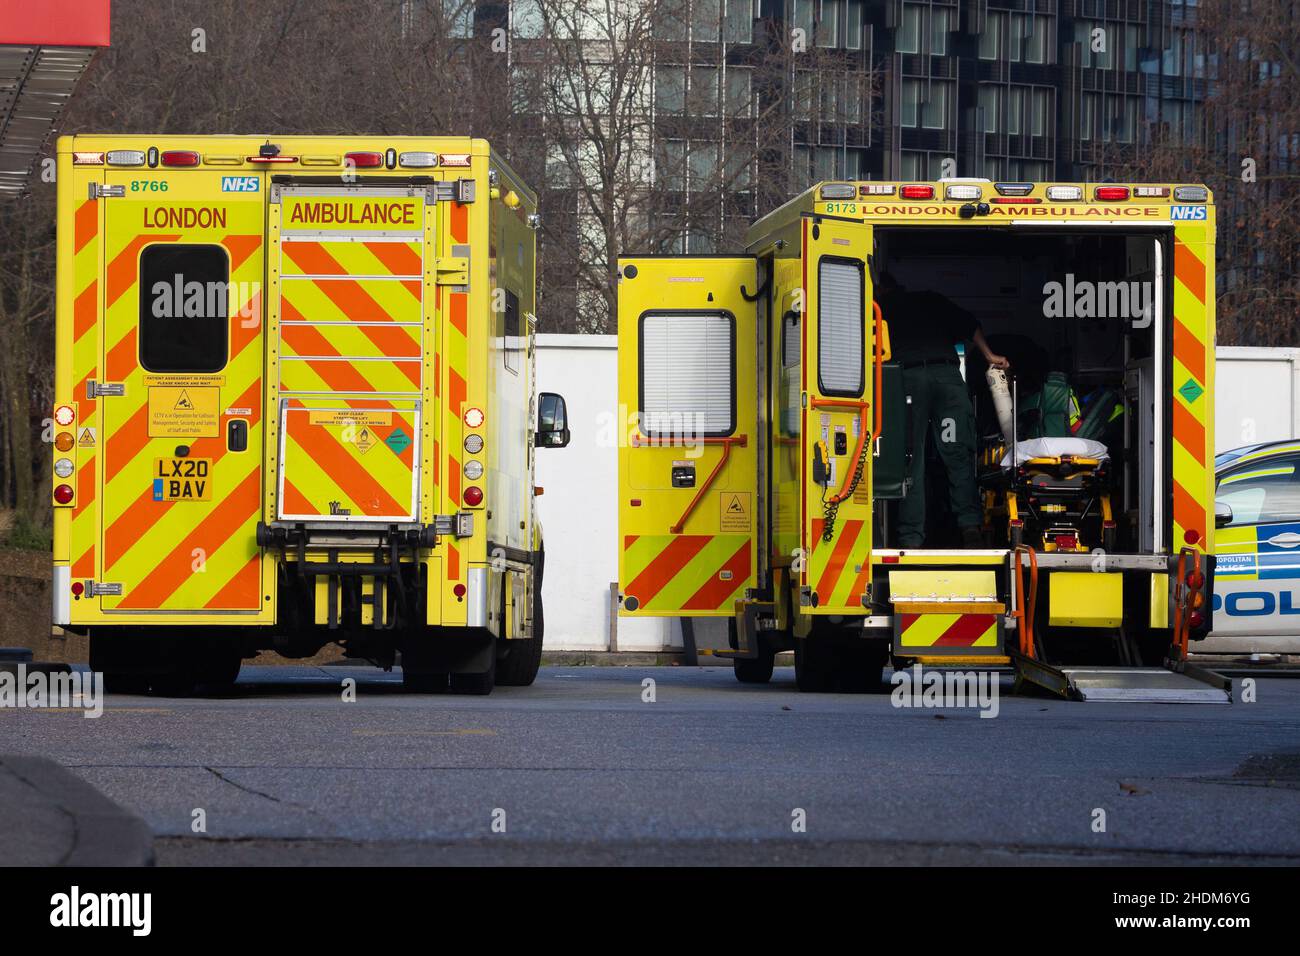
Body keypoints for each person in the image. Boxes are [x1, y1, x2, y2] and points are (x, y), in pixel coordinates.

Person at [875, 271, 1010, 549]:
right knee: (957, 454)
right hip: (946, 377)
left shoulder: (881, 306)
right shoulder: (930, 299)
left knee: (912, 460)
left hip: (908, 379)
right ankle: (970, 527)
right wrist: (989, 356)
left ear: (883, 287)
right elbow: (970, 325)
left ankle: (911, 538)